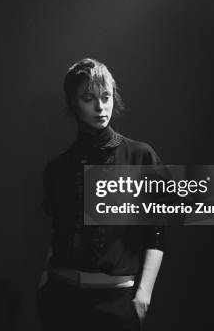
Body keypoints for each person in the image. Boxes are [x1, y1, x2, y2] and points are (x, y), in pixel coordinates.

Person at [37, 58, 165, 331]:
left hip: (115, 302)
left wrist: (144, 295)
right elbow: (58, 229)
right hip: (61, 298)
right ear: (73, 102)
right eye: (88, 98)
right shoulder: (59, 167)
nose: (100, 106)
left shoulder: (139, 156)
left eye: (106, 97)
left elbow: (156, 228)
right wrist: (44, 283)